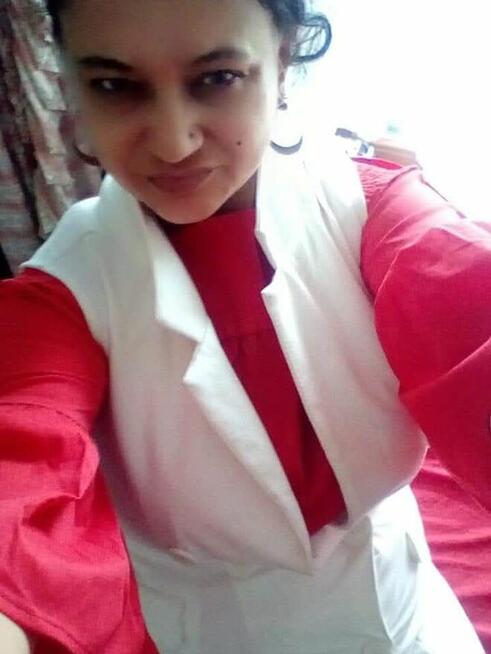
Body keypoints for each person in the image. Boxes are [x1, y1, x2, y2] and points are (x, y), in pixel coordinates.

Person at [0, 1, 489, 652]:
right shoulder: (63, 294)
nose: (174, 142)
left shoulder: (375, 216)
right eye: (116, 86)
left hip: (410, 618)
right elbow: (19, 460)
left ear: (282, 60)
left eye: (218, 78)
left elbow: (470, 320)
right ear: (71, 85)